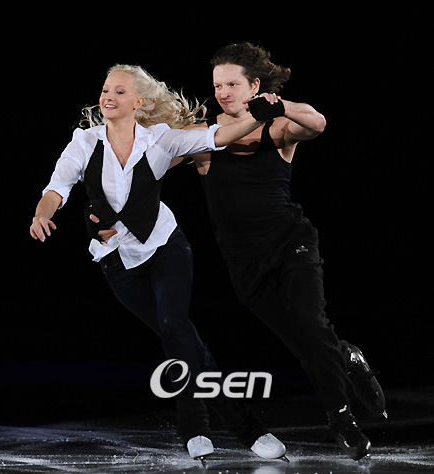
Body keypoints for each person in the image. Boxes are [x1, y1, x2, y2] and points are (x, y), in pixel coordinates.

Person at [90, 45, 386, 461]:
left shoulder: (277, 127)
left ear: (254, 85)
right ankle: (348, 358)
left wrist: (279, 105)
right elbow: (146, 171)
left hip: (291, 244)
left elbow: (317, 122)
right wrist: (107, 213)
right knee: (302, 342)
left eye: (232, 84)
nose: (223, 92)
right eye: (217, 86)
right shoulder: (204, 138)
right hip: (243, 263)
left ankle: (341, 420)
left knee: (311, 325)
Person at [29, 64, 288, 462]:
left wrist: (259, 116)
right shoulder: (84, 142)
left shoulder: (161, 140)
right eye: (106, 89)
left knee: (174, 325)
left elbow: (217, 136)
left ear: (139, 102)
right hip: (118, 263)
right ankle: (249, 429)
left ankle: (197, 428)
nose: (108, 97)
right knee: (184, 340)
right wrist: (42, 214)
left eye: (119, 91)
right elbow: (56, 189)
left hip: (166, 247)